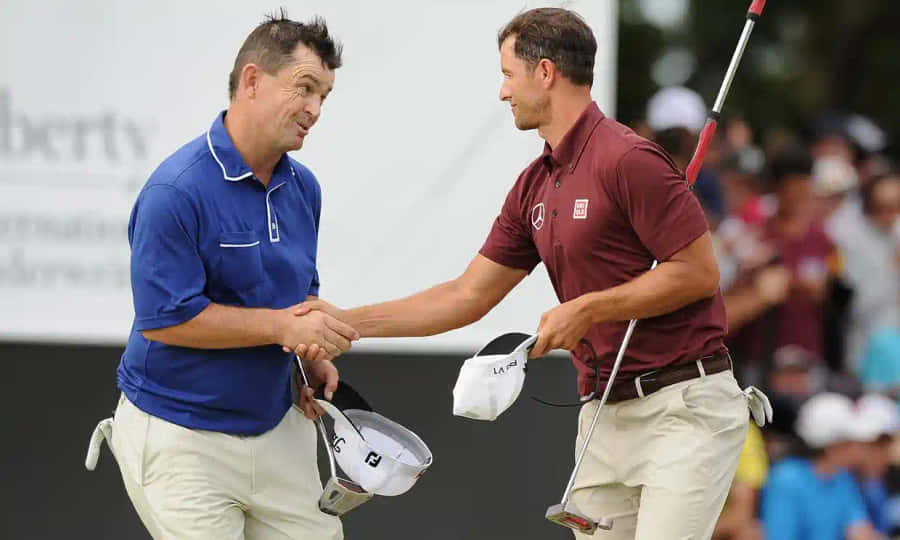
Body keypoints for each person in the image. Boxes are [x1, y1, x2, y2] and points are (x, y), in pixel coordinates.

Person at [299, 8, 749, 539]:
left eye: (508, 74)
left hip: (684, 406)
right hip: (604, 415)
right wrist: (345, 324)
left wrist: (590, 307)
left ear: (545, 72)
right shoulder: (534, 185)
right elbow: (466, 295)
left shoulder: (629, 159)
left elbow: (698, 273)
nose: (502, 92)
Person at [106, 13, 359, 539]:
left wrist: (309, 358)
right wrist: (284, 330)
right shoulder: (174, 192)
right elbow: (165, 322)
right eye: (305, 89)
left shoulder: (304, 188)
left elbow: (299, 295)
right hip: (181, 435)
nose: (315, 110)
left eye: (325, 97)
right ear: (251, 81)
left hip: (277, 427)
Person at [761, 393, 878, 540]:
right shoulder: (785, 479)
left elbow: (860, 530)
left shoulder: (843, 478)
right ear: (833, 446)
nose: (859, 450)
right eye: (852, 442)